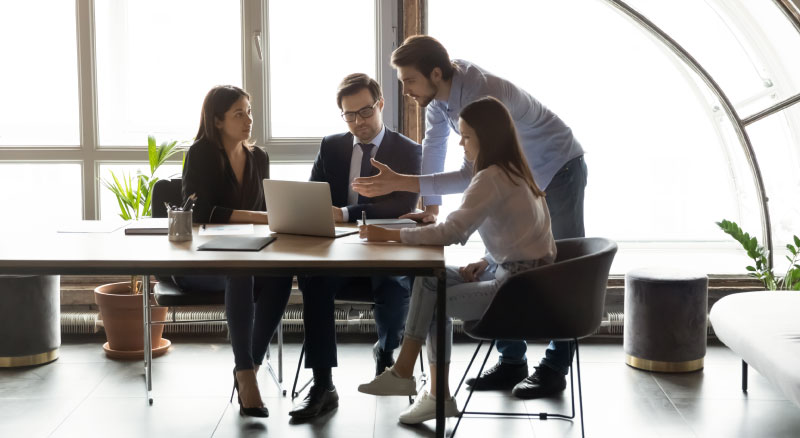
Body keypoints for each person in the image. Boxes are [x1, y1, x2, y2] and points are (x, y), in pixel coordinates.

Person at [353, 35, 587, 399]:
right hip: (517, 178)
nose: (406, 91)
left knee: (562, 273)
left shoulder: (480, 97)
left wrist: (398, 185)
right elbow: (434, 150)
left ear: (434, 73)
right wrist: (430, 207)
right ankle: (512, 362)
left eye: (409, 81)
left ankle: (555, 368)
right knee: (501, 252)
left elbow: (470, 175)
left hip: (558, 167)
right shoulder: (437, 100)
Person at [356, 96, 556, 424]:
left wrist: (391, 235)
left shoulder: (492, 177)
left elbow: (451, 231)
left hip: (519, 289)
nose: (461, 143)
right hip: (524, 275)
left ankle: (424, 385)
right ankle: (424, 385)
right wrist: (488, 258)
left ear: (486, 138)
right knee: (431, 278)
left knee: (434, 295)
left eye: (466, 136)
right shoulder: (514, 171)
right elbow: (527, 234)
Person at [261, 73, 422, 420]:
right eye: (349, 116)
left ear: (380, 105)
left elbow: (402, 207)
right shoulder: (332, 145)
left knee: (394, 286)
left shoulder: (408, 151)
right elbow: (312, 195)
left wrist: (347, 212)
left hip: (386, 249)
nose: (358, 122)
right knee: (314, 281)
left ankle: (386, 348)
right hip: (340, 251)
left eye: (364, 112)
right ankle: (322, 385)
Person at [178, 85, 292, 418]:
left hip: (248, 256)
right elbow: (200, 212)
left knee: (281, 275)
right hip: (201, 262)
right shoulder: (201, 153)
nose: (248, 120)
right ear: (216, 121)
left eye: (249, 112)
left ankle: (250, 369)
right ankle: (245, 372)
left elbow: (267, 211)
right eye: (238, 114)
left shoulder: (259, 157)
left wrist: (276, 218)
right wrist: (263, 217)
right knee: (241, 272)